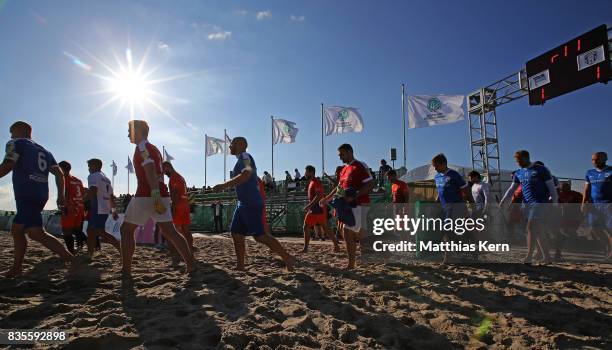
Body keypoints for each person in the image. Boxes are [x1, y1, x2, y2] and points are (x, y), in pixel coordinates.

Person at [120, 120, 195, 277]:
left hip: (146, 195)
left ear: (138, 131)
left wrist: (155, 196)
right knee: (171, 232)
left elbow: (149, 170)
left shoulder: (142, 147)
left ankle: (126, 271)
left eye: (129, 130)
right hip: (160, 194)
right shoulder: (154, 149)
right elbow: (157, 173)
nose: (128, 134)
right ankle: (191, 264)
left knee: (126, 231)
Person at [0, 121, 74, 278]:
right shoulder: (45, 151)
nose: (11, 135)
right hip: (41, 193)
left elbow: (8, 164)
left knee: (36, 233)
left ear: (21, 130)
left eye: (12, 131)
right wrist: (61, 194)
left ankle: (72, 262)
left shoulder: (15, 143)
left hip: (25, 193)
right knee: (17, 229)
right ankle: (16, 268)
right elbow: (59, 174)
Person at [212, 137, 294, 271]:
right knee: (236, 233)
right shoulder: (241, 158)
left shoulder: (245, 156)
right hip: (243, 202)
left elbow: (247, 174)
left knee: (260, 236)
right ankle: (240, 266)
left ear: (241, 144)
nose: (230, 146)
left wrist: (223, 185)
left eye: (232, 143)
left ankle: (287, 257)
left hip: (250, 202)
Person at [320, 144, 374, 269]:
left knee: (347, 231)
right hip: (347, 206)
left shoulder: (360, 165)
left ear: (349, 152)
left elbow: (371, 184)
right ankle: (364, 248)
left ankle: (351, 264)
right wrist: (326, 198)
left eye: (341, 154)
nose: (340, 158)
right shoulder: (344, 169)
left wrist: (355, 195)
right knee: (351, 232)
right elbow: (338, 188)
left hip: (360, 204)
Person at [500, 150, 558, 264]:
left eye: (520, 160)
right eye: (517, 161)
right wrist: (503, 200)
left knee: (530, 228)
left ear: (527, 158)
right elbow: (512, 188)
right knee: (538, 231)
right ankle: (547, 257)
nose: (518, 163)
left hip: (540, 203)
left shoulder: (541, 170)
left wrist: (555, 203)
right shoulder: (519, 173)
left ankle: (529, 256)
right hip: (526, 205)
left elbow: (552, 188)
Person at [432, 154, 470, 263]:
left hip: (455, 206)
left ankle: (448, 256)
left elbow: (465, 190)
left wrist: (469, 205)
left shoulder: (454, 175)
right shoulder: (437, 177)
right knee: (446, 231)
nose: (435, 168)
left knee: (447, 230)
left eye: (436, 166)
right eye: (434, 166)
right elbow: (439, 192)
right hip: (444, 207)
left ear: (444, 164)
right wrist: (435, 204)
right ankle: (455, 252)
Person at [84, 158, 121, 258]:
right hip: (104, 207)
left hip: (97, 206)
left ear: (95, 166)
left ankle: (121, 248)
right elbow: (111, 196)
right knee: (90, 231)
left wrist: (84, 201)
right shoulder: (106, 179)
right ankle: (90, 254)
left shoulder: (93, 175)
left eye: (89, 166)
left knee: (100, 232)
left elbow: (93, 190)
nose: (88, 169)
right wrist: (113, 211)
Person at [303, 165, 340, 253]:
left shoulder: (316, 181)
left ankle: (305, 248)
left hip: (316, 208)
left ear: (311, 172)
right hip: (317, 208)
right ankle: (336, 245)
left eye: (306, 172)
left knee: (306, 227)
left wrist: (309, 205)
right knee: (325, 227)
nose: (305, 174)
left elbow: (319, 195)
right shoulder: (312, 182)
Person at [582, 151, 611, 260]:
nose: (594, 162)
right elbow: (587, 189)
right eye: (593, 159)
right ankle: (607, 246)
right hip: (594, 206)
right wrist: (583, 202)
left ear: (604, 159)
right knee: (594, 228)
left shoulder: (610, 171)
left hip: (608, 205)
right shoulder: (589, 173)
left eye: (596, 159)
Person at [163, 161, 195, 253]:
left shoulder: (173, 178)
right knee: (186, 229)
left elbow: (175, 193)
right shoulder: (180, 176)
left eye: (165, 172)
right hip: (185, 203)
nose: (165, 174)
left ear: (168, 167)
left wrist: (173, 207)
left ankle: (178, 249)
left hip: (179, 203)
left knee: (175, 229)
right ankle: (189, 247)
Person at [58, 161, 87, 254]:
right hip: (80, 207)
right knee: (77, 230)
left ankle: (71, 251)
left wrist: (62, 205)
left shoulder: (64, 178)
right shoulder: (78, 180)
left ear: (62, 168)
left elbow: (65, 192)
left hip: (69, 206)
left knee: (66, 230)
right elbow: (83, 194)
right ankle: (85, 245)